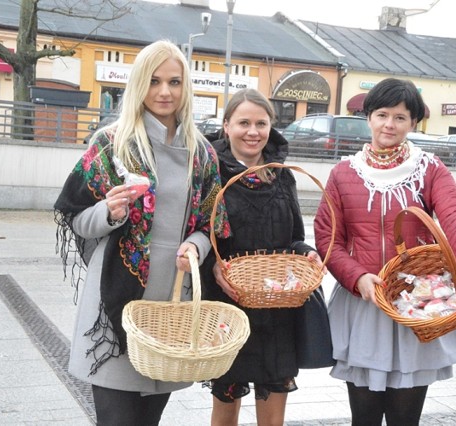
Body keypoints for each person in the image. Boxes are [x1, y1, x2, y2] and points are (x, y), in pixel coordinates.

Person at [54, 40, 229, 425]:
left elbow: (211, 226)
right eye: (153, 81)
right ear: (138, 85)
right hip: (115, 302)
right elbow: (76, 217)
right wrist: (109, 212)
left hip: (170, 307)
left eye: (174, 82)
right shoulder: (111, 144)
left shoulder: (203, 154)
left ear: (187, 88)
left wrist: (196, 247)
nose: (164, 91)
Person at [313, 78, 456, 426]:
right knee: (364, 417)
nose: (389, 125)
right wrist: (357, 277)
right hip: (364, 306)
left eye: (400, 117)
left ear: (413, 122)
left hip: (418, 304)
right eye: (382, 114)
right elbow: (328, 239)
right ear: (368, 117)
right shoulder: (343, 173)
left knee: (405, 418)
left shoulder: (428, 168)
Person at [200, 88, 324, 426]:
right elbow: (198, 230)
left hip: (276, 301)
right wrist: (213, 266)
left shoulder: (282, 174)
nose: (253, 132)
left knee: (273, 402)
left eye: (261, 123)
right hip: (229, 301)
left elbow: (294, 238)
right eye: (243, 123)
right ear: (226, 126)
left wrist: (308, 253)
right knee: (226, 397)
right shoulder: (210, 172)